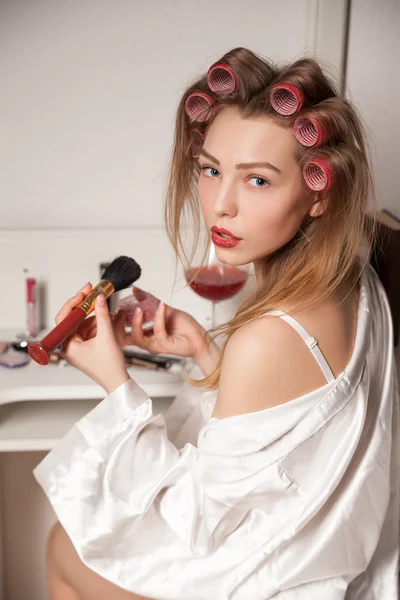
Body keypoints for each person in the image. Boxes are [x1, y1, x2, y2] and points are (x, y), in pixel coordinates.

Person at [34, 47, 399, 600]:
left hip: (276, 572)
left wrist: (116, 387)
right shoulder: (353, 275)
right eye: (210, 169)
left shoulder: (269, 334)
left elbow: (198, 520)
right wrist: (206, 351)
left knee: (63, 548)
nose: (220, 205)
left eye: (257, 181)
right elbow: (295, 432)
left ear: (318, 193)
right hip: (314, 542)